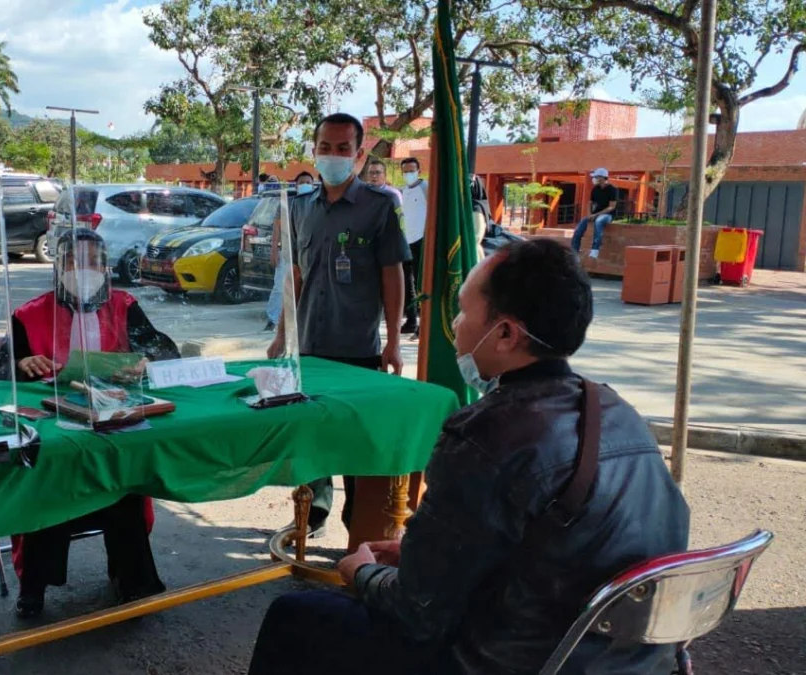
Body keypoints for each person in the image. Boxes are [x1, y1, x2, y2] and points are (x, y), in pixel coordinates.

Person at [248, 239, 690, 675]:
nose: (455, 325)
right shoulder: (615, 410)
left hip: (514, 660)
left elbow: (416, 613)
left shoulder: (487, 435)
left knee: (295, 616)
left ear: (505, 334)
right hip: (628, 659)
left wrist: (360, 572)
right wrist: (423, 555)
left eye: (462, 310)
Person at [0, 228, 172, 619]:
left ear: (105, 267)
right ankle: (33, 587)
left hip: (112, 422)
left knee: (123, 481)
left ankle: (133, 579)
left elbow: (162, 347)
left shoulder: (124, 305)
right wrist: (19, 364)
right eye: (73, 262)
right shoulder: (30, 314)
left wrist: (145, 361)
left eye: (92, 262)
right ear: (58, 267)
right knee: (48, 482)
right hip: (55, 428)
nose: (83, 270)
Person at [267, 113, 407, 537]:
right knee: (311, 438)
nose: (333, 156)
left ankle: (358, 526)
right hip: (308, 344)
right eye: (325, 147)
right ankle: (311, 516)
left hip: (357, 347)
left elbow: (392, 275)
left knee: (354, 440)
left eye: (343, 148)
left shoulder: (380, 206)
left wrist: (395, 341)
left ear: (360, 155)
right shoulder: (301, 207)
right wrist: (281, 336)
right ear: (314, 150)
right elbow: (295, 275)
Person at [263, 171, 316, 331]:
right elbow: (277, 227)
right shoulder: (288, 202)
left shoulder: (317, 203)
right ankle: (273, 319)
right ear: (296, 184)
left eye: (308, 181)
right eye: (302, 182)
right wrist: (273, 249)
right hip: (286, 251)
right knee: (280, 287)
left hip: (308, 253)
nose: (305, 184)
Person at [400, 157, 427, 338]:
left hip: (422, 241)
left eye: (412, 170)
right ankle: (411, 319)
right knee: (407, 283)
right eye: (406, 171)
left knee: (421, 284)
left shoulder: (427, 188)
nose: (409, 174)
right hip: (405, 242)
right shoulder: (402, 192)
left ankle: (423, 323)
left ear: (418, 170)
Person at [571, 167, 618, 259]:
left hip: (608, 215)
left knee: (598, 221)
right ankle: (574, 253)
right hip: (594, 214)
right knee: (579, 228)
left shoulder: (612, 189)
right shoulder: (595, 189)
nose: (595, 179)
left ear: (603, 177)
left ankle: (595, 249)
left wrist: (595, 215)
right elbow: (590, 203)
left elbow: (611, 206)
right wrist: (589, 214)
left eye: (596, 177)